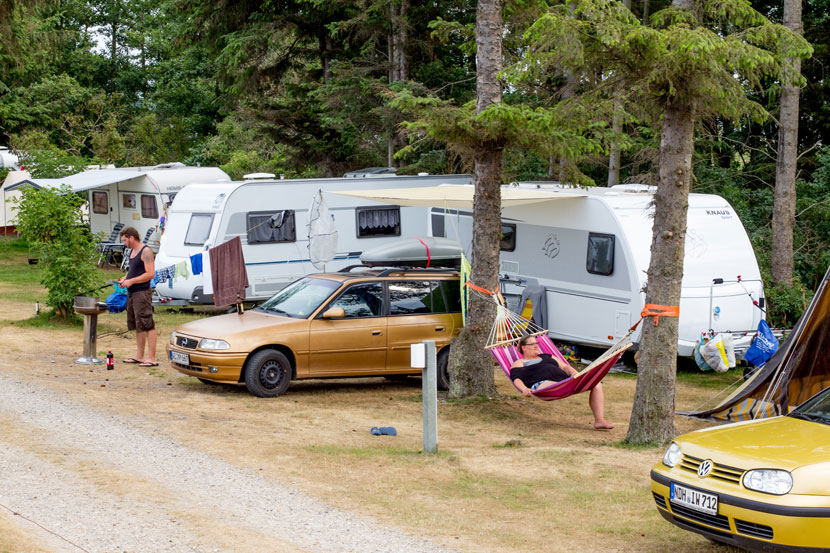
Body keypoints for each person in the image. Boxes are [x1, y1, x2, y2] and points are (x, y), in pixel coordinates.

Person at [510, 335, 614, 430]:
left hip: (566, 382)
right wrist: (524, 389)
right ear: (523, 347)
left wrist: (576, 374)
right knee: (553, 385)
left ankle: (600, 420)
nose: (536, 346)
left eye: (537, 343)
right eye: (532, 344)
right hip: (544, 385)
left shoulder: (547, 356)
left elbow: (564, 367)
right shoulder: (519, 363)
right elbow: (516, 378)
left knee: (597, 384)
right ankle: (561, 385)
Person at [118, 226, 157, 367]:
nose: (123, 243)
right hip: (132, 293)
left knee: (147, 324)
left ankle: (151, 358)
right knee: (138, 324)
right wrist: (124, 281)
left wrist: (131, 281)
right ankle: (139, 356)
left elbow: (150, 273)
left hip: (142, 293)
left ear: (131, 238)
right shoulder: (132, 252)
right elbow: (132, 271)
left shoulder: (145, 251)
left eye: (124, 240)